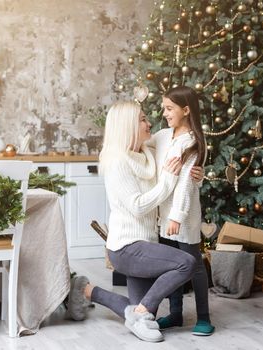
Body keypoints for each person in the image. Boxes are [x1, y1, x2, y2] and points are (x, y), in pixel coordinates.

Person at [69, 101, 198, 343]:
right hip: (126, 248)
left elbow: (178, 147)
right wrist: (168, 179)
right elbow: (138, 205)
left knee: (138, 309)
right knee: (186, 264)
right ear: (127, 125)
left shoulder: (147, 153)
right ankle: (142, 312)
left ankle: (87, 290)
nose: (149, 123)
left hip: (145, 246)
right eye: (142, 119)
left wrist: (195, 174)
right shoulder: (117, 162)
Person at [149, 86, 214, 336]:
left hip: (183, 217)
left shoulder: (193, 142)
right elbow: (143, 145)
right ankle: (175, 314)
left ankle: (204, 318)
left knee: (194, 266)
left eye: (169, 108)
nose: (164, 113)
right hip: (163, 215)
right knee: (171, 266)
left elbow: (187, 184)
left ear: (186, 110)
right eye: (163, 108)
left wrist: (176, 216)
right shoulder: (163, 135)